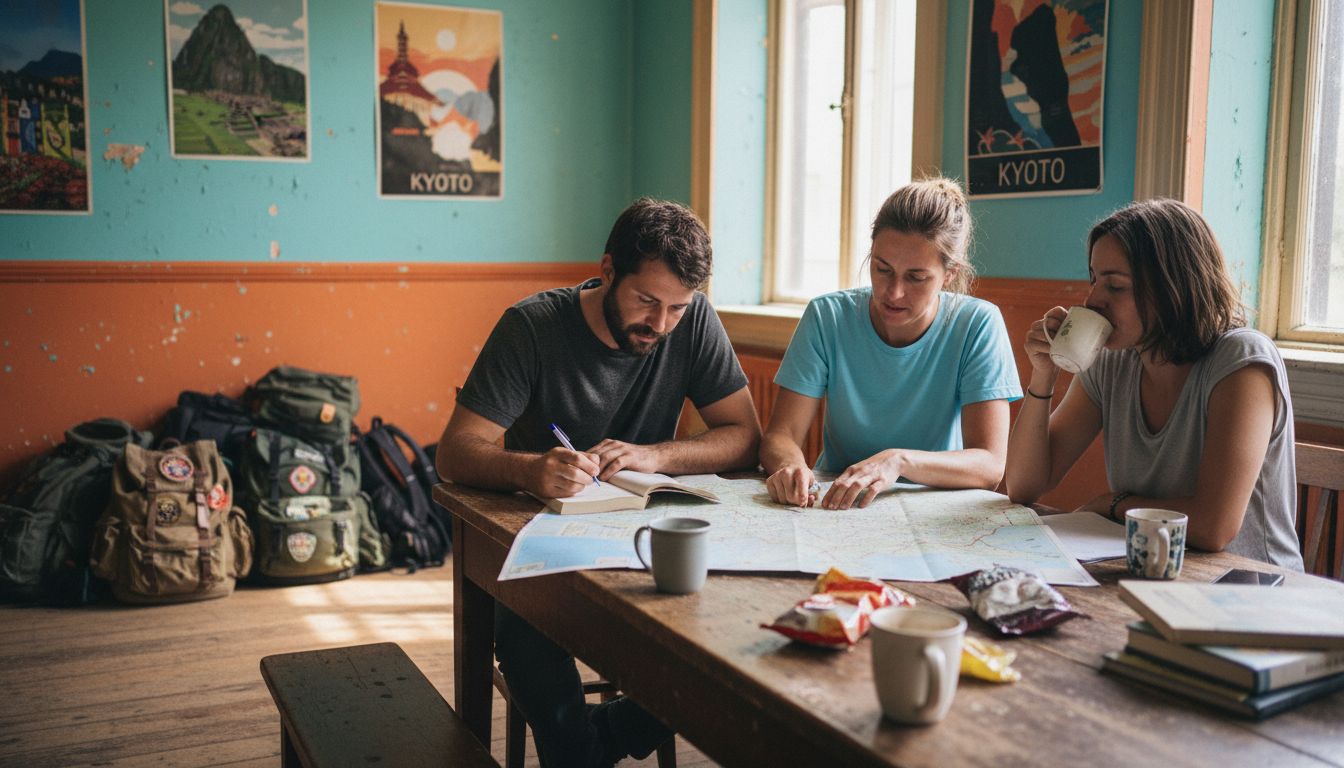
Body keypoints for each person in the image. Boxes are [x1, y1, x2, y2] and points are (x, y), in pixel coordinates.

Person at [436, 197, 761, 768]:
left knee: (743, 630)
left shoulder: (693, 321)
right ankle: (588, 750)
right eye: (646, 301)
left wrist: (656, 456)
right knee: (528, 641)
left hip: (647, 536)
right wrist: (530, 469)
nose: (660, 325)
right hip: (543, 543)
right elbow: (454, 452)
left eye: (678, 309)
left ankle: (602, 740)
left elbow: (743, 435)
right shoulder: (532, 327)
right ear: (608, 270)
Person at [1003, 198, 1303, 570]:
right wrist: (1044, 374)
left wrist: (1112, 505)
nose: (1092, 299)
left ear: (1173, 286)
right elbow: (1024, 486)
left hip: (1249, 586)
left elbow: (1214, 527)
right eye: (1094, 280)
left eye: (1115, 286)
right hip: (1153, 572)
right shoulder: (1113, 361)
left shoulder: (1239, 360)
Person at [760, 178, 1022, 509]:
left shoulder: (977, 324)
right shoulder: (826, 316)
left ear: (950, 274)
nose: (894, 292)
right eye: (882, 269)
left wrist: (898, 462)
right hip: (841, 506)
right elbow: (780, 436)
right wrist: (791, 467)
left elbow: (989, 465)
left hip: (935, 511)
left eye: (916, 277)